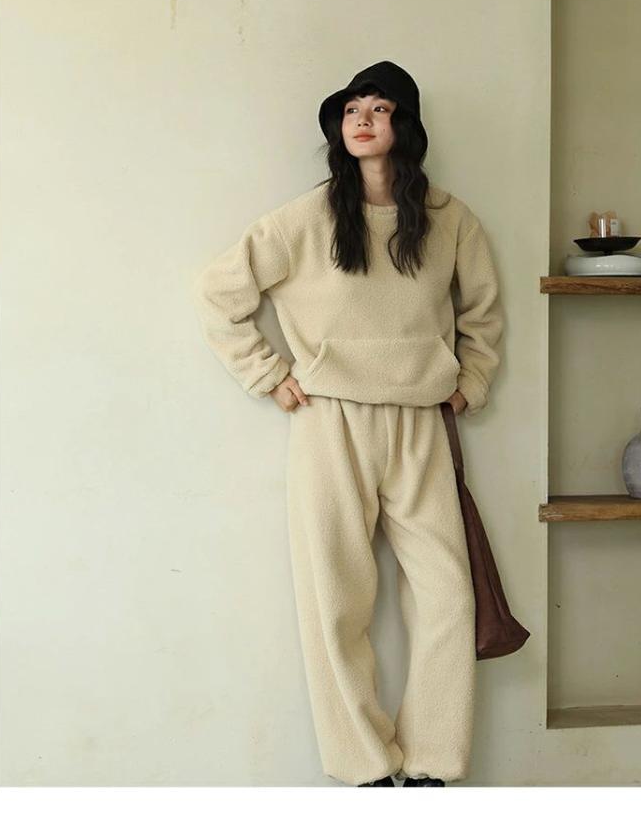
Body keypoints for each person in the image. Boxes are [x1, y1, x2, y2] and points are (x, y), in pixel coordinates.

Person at [192, 60, 503, 787]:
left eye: (380, 108)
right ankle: (364, 765)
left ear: (405, 125)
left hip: (422, 421)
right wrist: (267, 373)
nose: (363, 119)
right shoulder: (305, 219)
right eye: (352, 108)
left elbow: (483, 313)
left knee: (449, 596)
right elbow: (219, 293)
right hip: (329, 419)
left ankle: (431, 765)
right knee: (335, 597)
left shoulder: (450, 218)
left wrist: (472, 382)